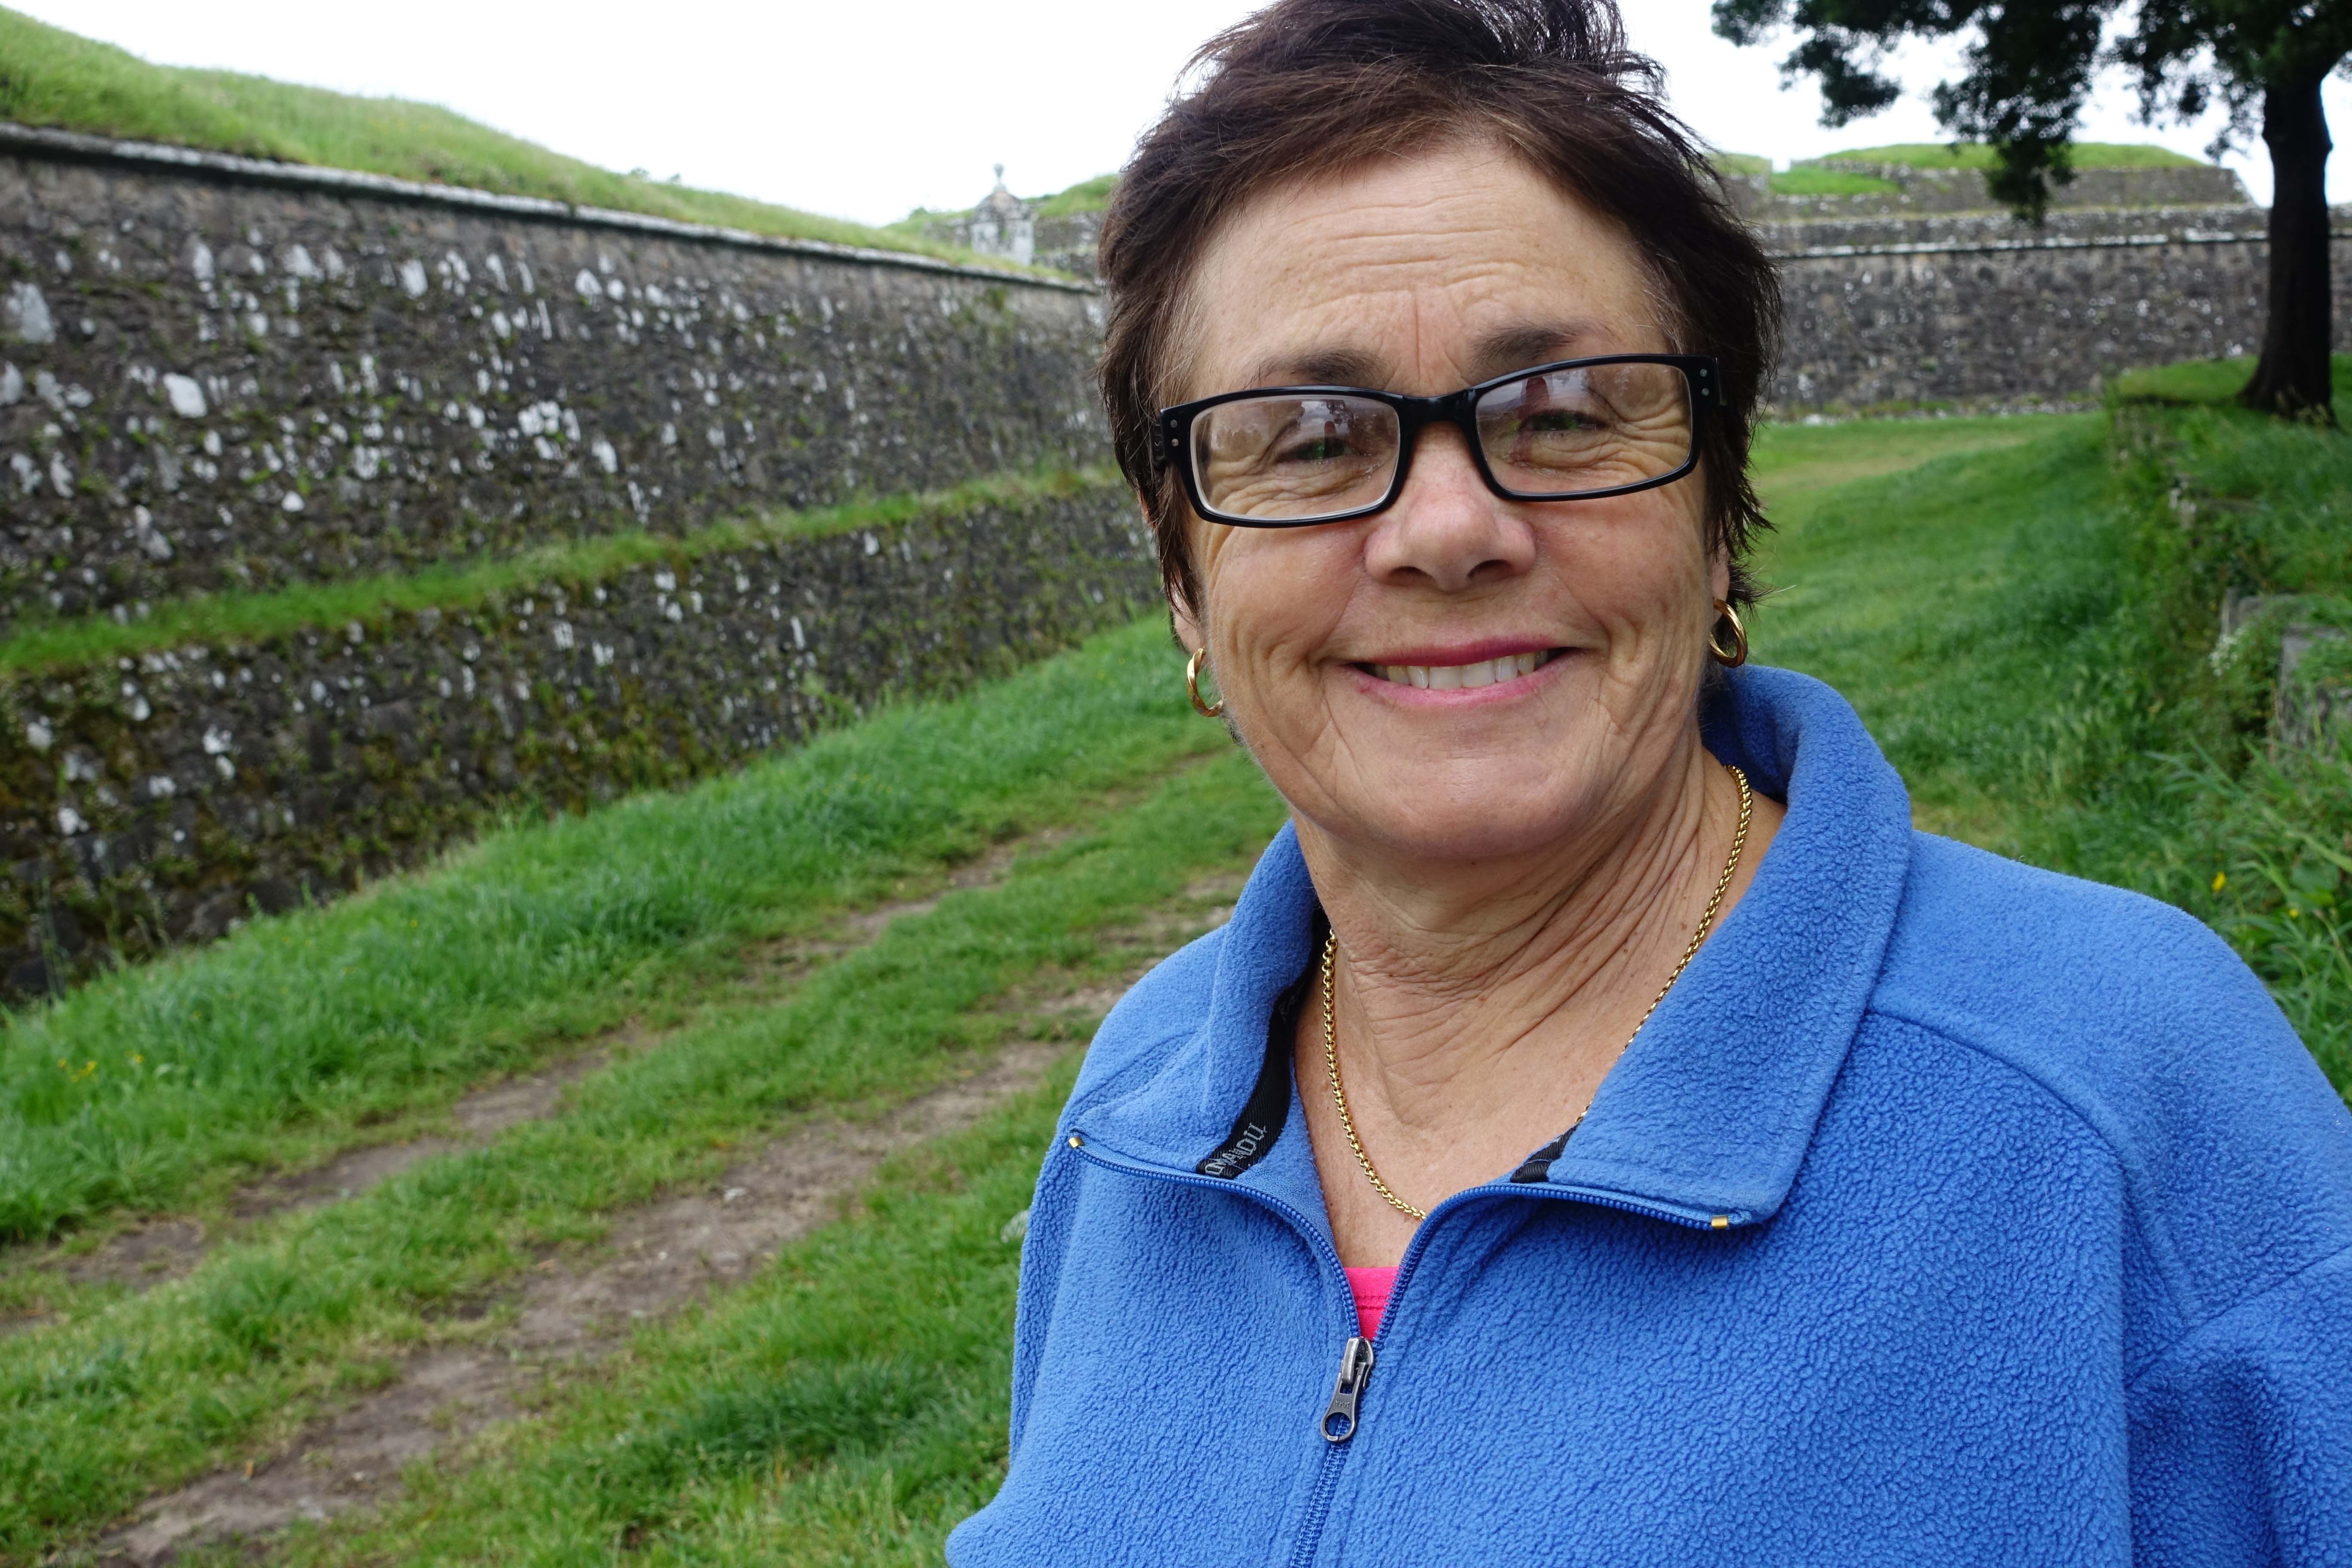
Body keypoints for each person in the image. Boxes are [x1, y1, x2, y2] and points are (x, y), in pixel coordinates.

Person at [945, 1, 2352, 1562]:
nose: (1446, 532)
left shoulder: (2125, 1100)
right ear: (1184, 583)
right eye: (1311, 439)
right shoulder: (1145, 1101)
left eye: (1559, 415)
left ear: (1719, 516)